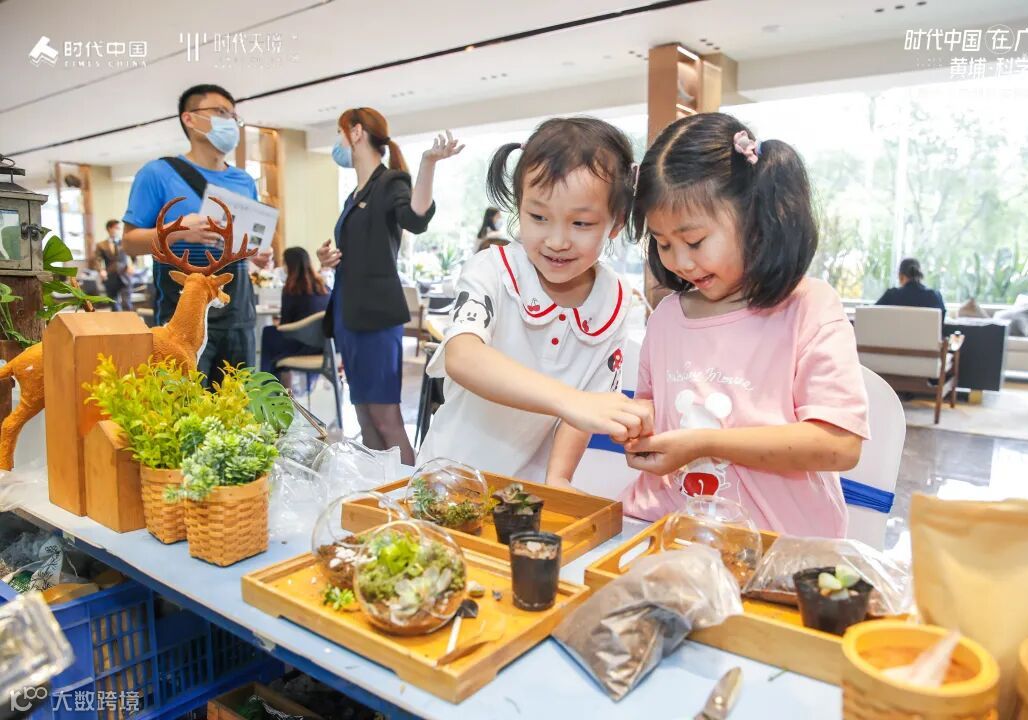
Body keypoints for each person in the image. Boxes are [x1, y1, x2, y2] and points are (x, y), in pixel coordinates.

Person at [619, 113, 869, 538]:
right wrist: (636, 420)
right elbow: (654, 404)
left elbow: (839, 445)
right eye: (663, 243)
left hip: (779, 541)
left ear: (756, 221)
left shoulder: (807, 307)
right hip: (666, 527)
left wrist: (705, 443)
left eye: (694, 241)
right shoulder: (667, 318)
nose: (680, 262)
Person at [417, 117, 652, 487]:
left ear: (617, 222)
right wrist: (570, 400)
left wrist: (559, 478)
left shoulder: (615, 300)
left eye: (581, 224)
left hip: (527, 490)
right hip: (448, 475)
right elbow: (462, 357)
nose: (557, 241)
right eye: (538, 217)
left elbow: (586, 409)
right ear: (519, 207)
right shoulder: (492, 270)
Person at [316, 109, 461, 465]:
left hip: (376, 319)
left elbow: (415, 218)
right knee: (364, 416)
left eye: (339, 133)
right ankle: (379, 490)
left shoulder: (390, 182)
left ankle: (409, 490)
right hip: (349, 316)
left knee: (385, 419)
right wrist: (328, 258)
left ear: (356, 133)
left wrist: (427, 164)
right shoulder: (355, 194)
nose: (337, 142)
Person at [121, 83, 270, 386]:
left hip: (238, 313)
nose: (229, 121)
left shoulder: (244, 180)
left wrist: (257, 254)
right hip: (182, 316)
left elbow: (248, 239)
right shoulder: (158, 173)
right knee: (184, 404)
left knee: (240, 405)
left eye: (233, 116)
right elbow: (129, 242)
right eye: (220, 112)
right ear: (189, 118)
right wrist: (177, 232)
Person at [260, 247, 331, 384]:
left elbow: (285, 325)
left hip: (302, 346)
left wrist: (278, 325)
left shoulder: (291, 290)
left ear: (289, 265)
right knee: (275, 337)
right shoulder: (324, 287)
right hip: (326, 347)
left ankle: (268, 385)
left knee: (269, 333)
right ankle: (279, 385)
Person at [875, 257, 947, 320]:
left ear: (900, 276)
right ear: (920, 276)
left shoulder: (890, 296)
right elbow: (940, 325)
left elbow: (872, 315)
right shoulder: (934, 296)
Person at [95, 219, 133, 311]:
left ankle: (130, 319)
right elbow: (98, 260)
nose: (118, 230)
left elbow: (134, 256)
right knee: (113, 304)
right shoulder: (101, 245)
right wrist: (101, 270)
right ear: (109, 229)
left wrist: (132, 266)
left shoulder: (125, 242)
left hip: (125, 275)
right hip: (110, 276)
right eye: (116, 228)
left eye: (119, 228)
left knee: (127, 303)